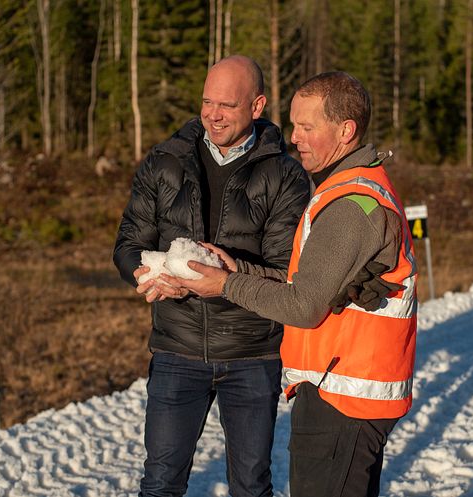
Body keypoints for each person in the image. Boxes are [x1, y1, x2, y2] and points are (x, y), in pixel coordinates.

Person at [166, 72, 418, 497]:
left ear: (346, 130)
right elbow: (312, 283)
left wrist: (225, 286)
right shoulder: (349, 189)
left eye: (307, 127)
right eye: (294, 125)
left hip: (344, 394)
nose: (294, 137)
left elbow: (303, 305)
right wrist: (240, 271)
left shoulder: (352, 205)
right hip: (344, 388)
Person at [113, 55, 310, 497]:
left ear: (257, 106)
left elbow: (286, 274)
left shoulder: (286, 175)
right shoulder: (165, 161)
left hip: (252, 354)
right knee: (160, 482)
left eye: (226, 105)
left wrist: (229, 273)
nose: (212, 114)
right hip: (176, 349)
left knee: (251, 485)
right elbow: (127, 245)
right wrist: (147, 274)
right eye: (206, 102)